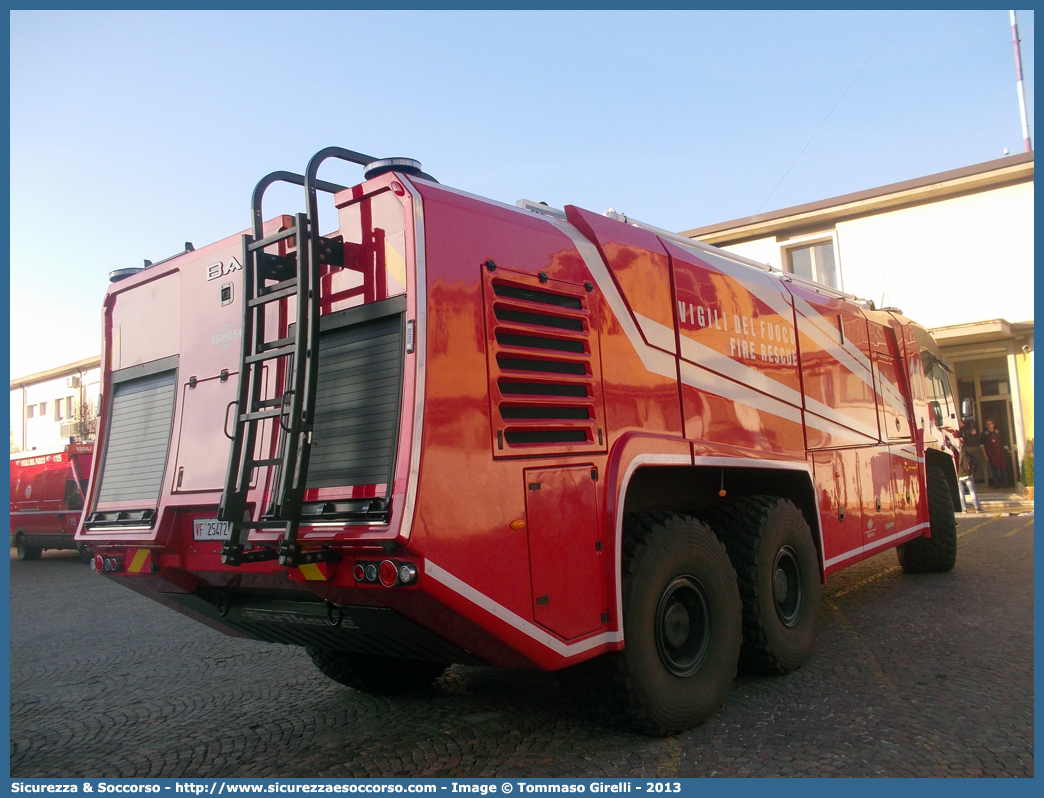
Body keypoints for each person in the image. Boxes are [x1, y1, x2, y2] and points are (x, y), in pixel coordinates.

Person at [960, 419, 989, 484]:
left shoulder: (969, 431)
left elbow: (975, 441)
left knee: (972, 466)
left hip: (971, 451)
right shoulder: (962, 431)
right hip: (965, 452)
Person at [982, 419, 1009, 488]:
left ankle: (1004, 484)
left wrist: (1007, 450)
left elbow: (1003, 441)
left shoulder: (998, 432)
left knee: (1003, 469)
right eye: (987, 424)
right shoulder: (984, 434)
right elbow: (982, 445)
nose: (989, 425)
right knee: (994, 470)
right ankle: (997, 485)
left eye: (990, 423)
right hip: (991, 454)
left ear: (993, 424)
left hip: (1000, 453)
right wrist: (985, 455)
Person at [957, 442, 983, 512]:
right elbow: (970, 465)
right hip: (968, 476)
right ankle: (977, 507)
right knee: (972, 492)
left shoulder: (958, 456)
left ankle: (964, 509)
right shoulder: (968, 456)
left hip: (960, 476)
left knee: (961, 493)